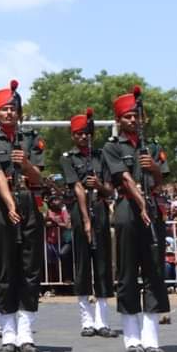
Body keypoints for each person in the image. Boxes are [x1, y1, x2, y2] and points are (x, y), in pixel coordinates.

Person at [0, 80, 45, 352]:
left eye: (12, 109)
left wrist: (26, 164)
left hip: (28, 202)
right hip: (2, 207)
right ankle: (7, 333)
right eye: (3, 109)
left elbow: (39, 177)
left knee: (30, 270)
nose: (8, 113)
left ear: (19, 112)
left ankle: (26, 334)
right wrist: (8, 202)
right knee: (4, 270)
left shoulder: (31, 139)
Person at [102, 88, 170, 352]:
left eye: (136, 116)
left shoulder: (152, 146)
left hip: (152, 207)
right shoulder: (112, 147)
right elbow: (125, 179)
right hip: (128, 210)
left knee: (154, 271)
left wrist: (153, 166)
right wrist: (141, 204)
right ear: (119, 120)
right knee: (128, 272)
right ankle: (131, 336)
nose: (133, 120)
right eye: (128, 116)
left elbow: (160, 178)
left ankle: (151, 336)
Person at [61, 108, 114, 338]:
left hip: (100, 208)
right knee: (82, 264)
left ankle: (102, 320)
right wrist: (85, 220)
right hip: (79, 211)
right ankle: (86, 320)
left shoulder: (102, 156)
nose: (84, 137)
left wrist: (100, 186)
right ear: (73, 136)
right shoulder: (68, 158)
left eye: (86, 133)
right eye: (79, 134)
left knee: (102, 264)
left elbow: (110, 189)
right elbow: (77, 188)